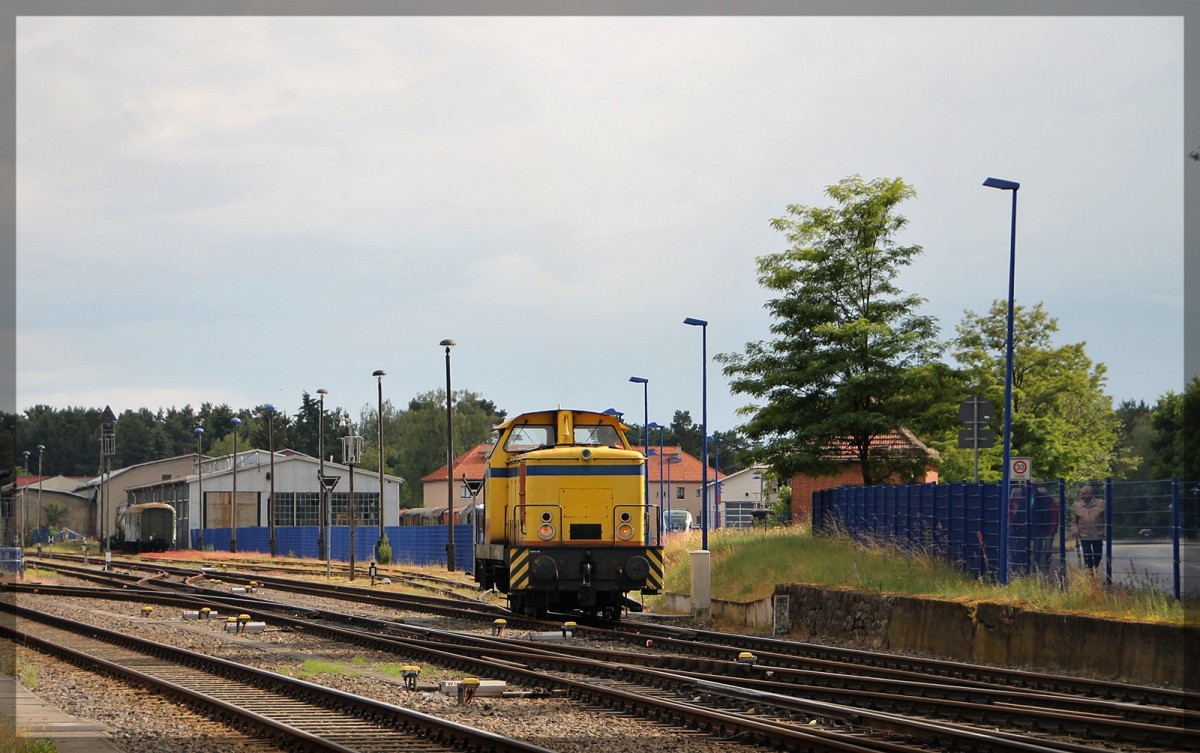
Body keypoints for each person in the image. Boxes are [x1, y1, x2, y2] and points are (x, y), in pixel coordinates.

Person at [1074, 485, 1106, 571]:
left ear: (1090, 494)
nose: (1082, 495)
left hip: (1097, 534)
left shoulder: (1101, 504)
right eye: (1082, 493)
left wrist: (1105, 531)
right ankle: (1090, 572)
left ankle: (1095, 568)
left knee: (1098, 556)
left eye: (1084, 493)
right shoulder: (1078, 506)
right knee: (1087, 556)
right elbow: (1075, 521)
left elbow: (1106, 518)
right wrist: (1076, 530)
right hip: (1084, 535)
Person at [1030, 485, 1058, 571]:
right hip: (1040, 529)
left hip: (1049, 530)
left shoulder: (1052, 504)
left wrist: (1052, 530)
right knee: (1037, 548)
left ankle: (1046, 566)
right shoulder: (1038, 503)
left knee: (1047, 550)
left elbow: (1054, 518)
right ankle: (1038, 566)